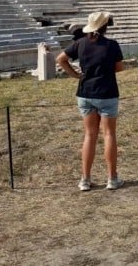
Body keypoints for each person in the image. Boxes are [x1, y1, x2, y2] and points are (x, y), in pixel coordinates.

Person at [56, 11, 125, 191]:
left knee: (89, 135)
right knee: (109, 134)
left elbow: (60, 59)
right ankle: (112, 179)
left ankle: (85, 179)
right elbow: (119, 67)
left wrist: (75, 75)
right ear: (104, 26)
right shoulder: (111, 45)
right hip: (107, 92)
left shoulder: (80, 43)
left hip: (85, 92)